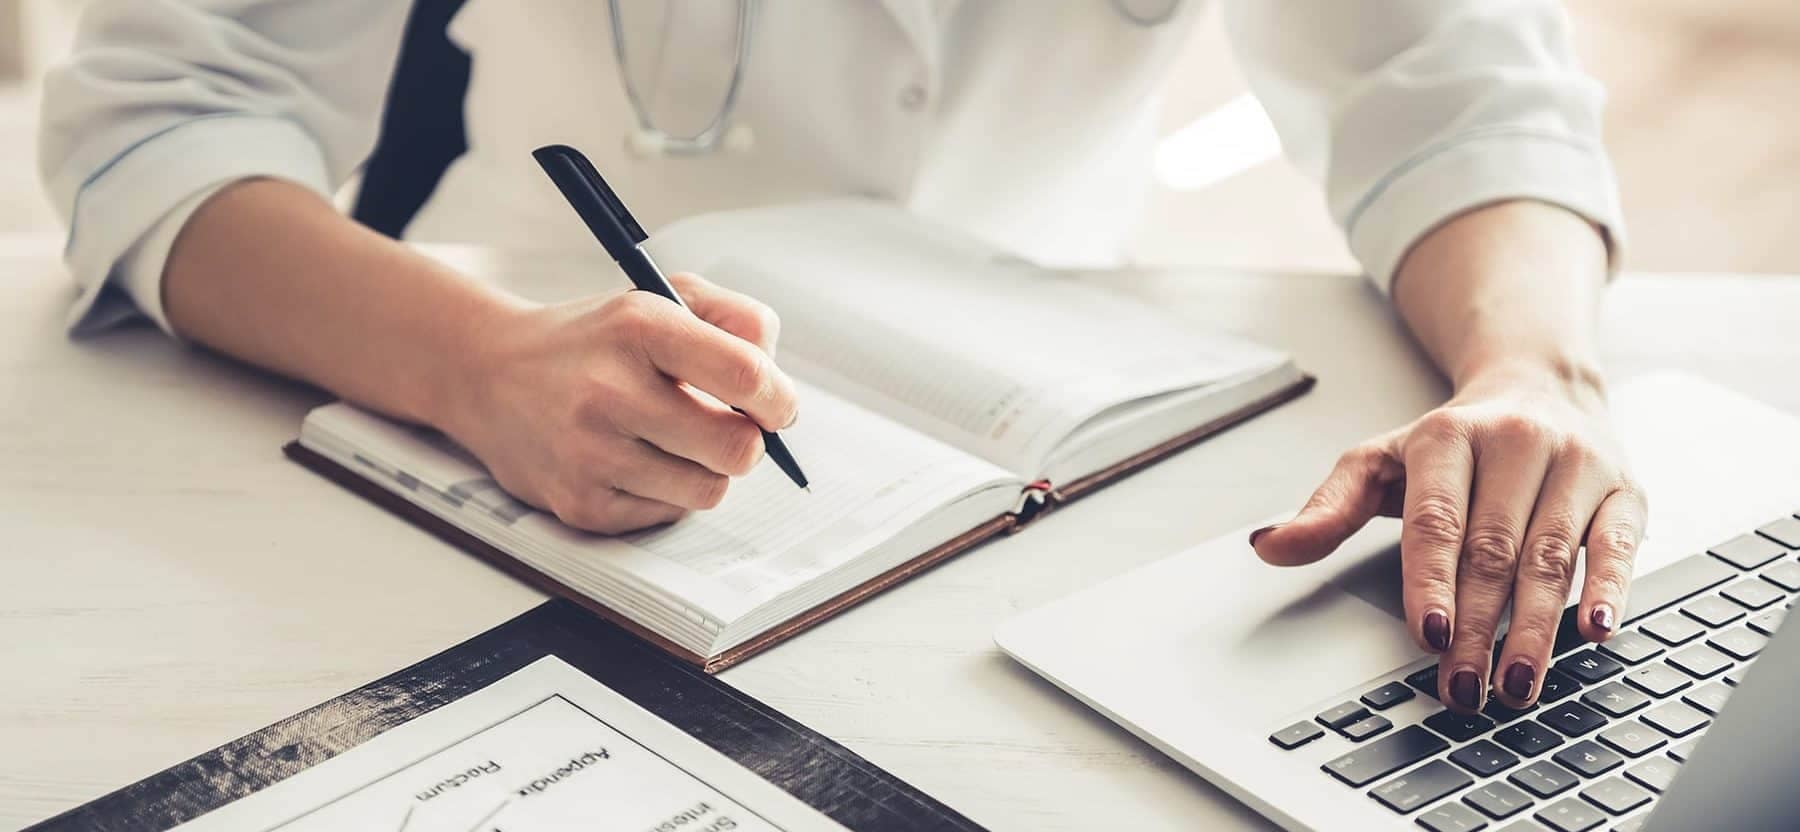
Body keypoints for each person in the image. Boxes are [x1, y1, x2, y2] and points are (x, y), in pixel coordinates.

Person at [37, 0, 1641, 717]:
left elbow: (1459, 87)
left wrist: (1535, 366)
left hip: (1065, 444)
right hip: (527, 477)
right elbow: (158, 119)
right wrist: (475, 364)